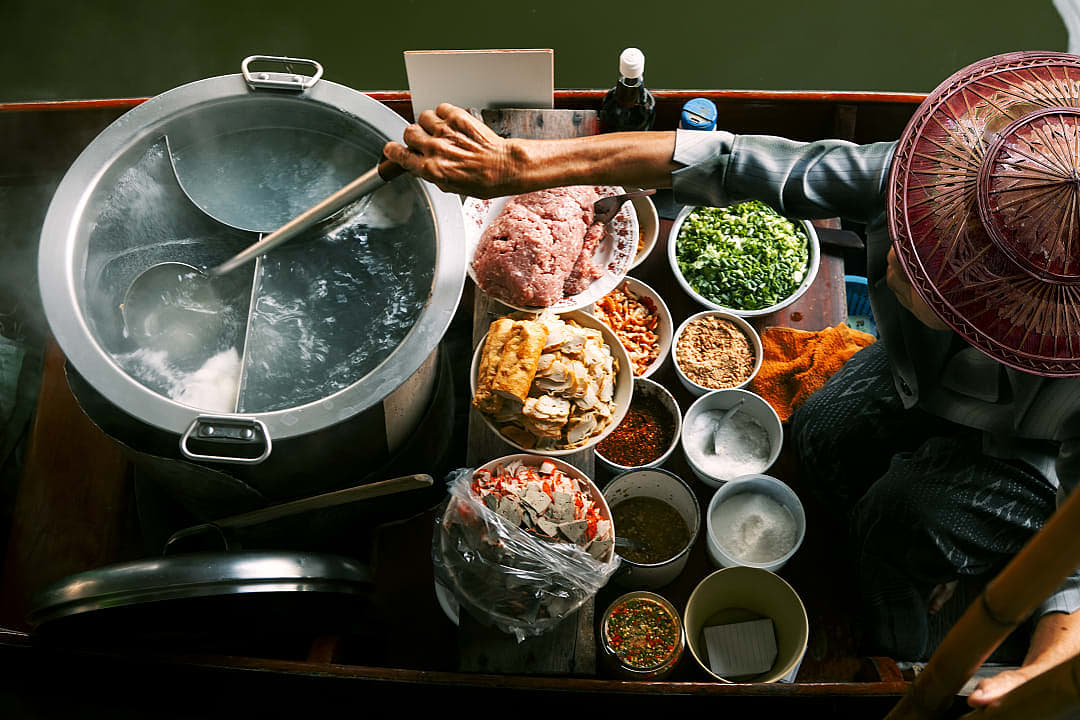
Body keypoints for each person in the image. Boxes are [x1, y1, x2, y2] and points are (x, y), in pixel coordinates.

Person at [383, 92, 1080, 707]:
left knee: (899, 522)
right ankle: (838, 537)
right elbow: (729, 158)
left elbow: (1073, 544)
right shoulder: (936, 178)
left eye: (939, 272)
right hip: (911, 370)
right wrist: (524, 164)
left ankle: (893, 648)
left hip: (1030, 455)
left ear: (1005, 316)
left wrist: (1046, 669)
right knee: (813, 431)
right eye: (925, 237)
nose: (903, 254)